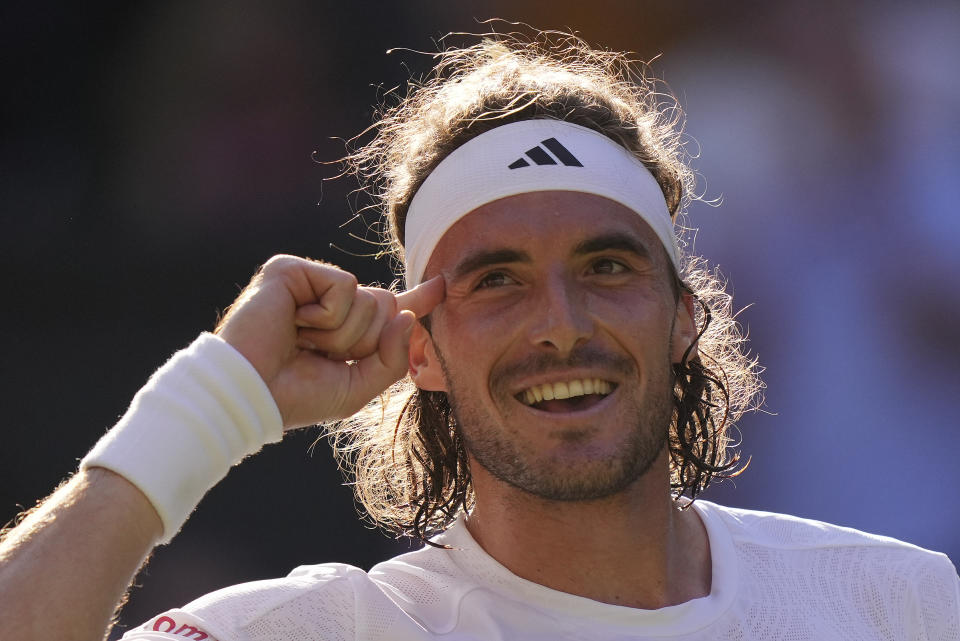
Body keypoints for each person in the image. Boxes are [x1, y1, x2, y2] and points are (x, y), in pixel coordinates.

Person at [1, 31, 958, 641]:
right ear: (419, 348)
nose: (562, 326)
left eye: (607, 267)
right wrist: (210, 404)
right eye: (497, 281)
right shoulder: (323, 631)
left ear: (684, 318)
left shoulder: (899, 602)